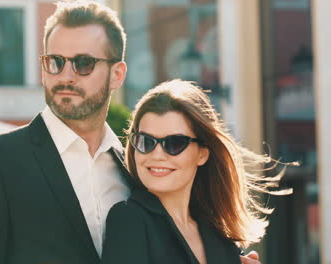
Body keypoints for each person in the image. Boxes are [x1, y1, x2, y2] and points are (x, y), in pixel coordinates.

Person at [0, 1, 263, 264]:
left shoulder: (138, 168)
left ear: (118, 73)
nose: (66, 75)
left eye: (83, 63)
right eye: (55, 62)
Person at [101, 79, 290, 264]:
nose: (157, 155)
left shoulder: (217, 229)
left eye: (174, 143)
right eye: (145, 141)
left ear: (202, 154)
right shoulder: (128, 220)